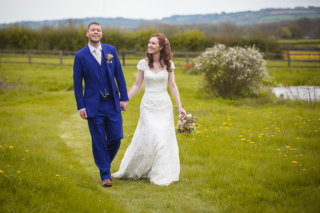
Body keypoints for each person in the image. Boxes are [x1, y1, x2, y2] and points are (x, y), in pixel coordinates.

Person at [112, 33, 186, 186]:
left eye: (153, 43)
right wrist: (124, 100)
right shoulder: (143, 64)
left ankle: (160, 171)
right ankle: (138, 167)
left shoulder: (169, 65)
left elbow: (173, 86)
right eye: (149, 43)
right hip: (148, 105)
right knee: (151, 134)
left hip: (164, 105)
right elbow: (137, 85)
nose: (149, 45)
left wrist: (180, 107)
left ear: (161, 47)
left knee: (163, 138)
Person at [73, 22, 129, 187]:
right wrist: (81, 106)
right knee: (98, 139)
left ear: (101, 34)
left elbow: (119, 75)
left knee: (116, 137)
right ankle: (105, 175)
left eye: (98, 30)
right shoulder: (80, 55)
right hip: (93, 105)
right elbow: (77, 84)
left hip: (112, 102)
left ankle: (103, 162)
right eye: (93, 30)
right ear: (87, 33)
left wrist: (124, 98)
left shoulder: (110, 50)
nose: (95, 32)